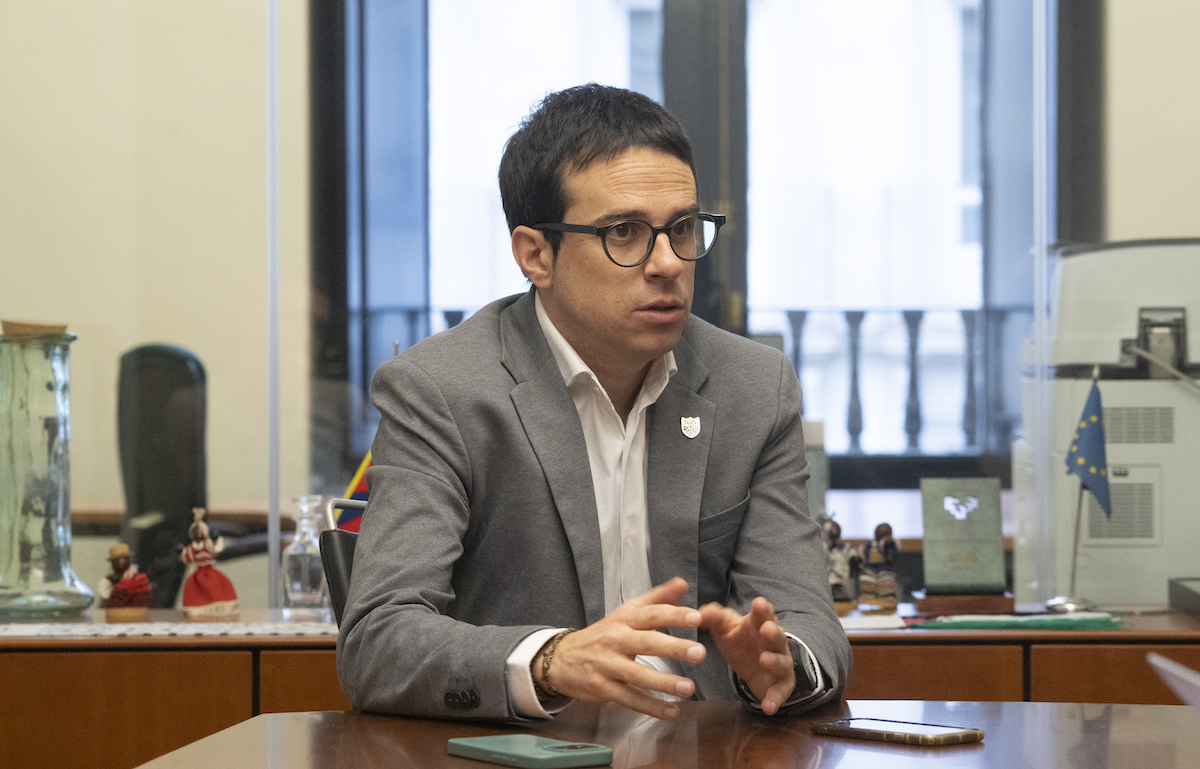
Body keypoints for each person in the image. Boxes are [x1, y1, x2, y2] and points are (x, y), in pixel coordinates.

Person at [337, 84, 851, 722]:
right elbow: (379, 641)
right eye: (625, 233)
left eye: (683, 229)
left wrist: (781, 666)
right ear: (535, 255)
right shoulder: (442, 391)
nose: (667, 262)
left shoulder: (753, 387)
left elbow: (809, 623)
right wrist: (550, 661)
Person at [179, 508, 238, 616]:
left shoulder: (208, 544)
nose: (198, 534)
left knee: (216, 589)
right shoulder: (193, 547)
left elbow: (216, 548)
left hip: (210, 573)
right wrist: (181, 552)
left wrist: (215, 540)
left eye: (200, 532)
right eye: (195, 532)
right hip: (198, 574)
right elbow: (188, 556)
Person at [96, 543, 151, 608]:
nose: (120, 562)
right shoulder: (109, 580)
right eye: (116, 560)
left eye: (124, 559)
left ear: (129, 560)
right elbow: (106, 603)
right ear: (112, 563)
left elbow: (141, 602)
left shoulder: (139, 579)